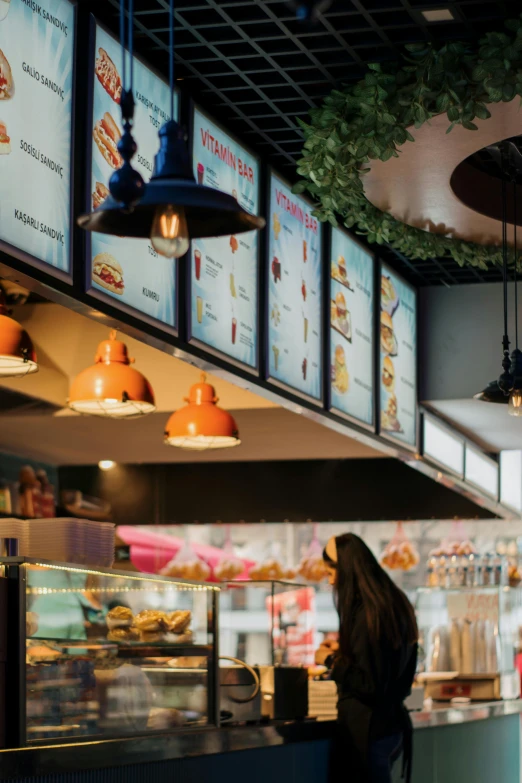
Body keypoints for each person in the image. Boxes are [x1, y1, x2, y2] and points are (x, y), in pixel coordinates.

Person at [315, 533, 418, 783]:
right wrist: (343, 651)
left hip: (367, 731)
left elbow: (368, 683)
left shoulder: (366, 613)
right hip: (393, 726)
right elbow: (383, 661)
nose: (330, 582)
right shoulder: (393, 602)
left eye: (331, 573)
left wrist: (330, 661)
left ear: (347, 570)